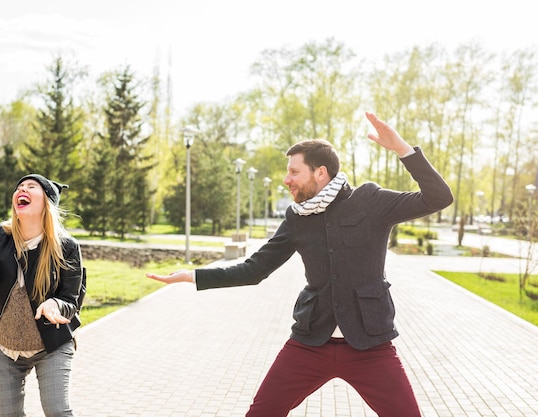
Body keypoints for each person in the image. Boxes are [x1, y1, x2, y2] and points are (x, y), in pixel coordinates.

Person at [146, 112, 454, 417]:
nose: (286, 179)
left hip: (370, 346)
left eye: (294, 172)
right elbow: (255, 269)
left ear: (320, 173)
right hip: (310, 344)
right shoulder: (297, 219)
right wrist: (195, 276)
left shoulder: (371, 201)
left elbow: (438, 198)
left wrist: (403, 149)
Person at [0, 174, 84, 417]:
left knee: (57, 411)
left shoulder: (67, 247)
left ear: (47, 203)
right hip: (6, 347)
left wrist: (54, 304)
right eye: (19, 187)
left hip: (51, 345)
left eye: (32, 187)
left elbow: (71, 300)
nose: (22, 189)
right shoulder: (2, 235)